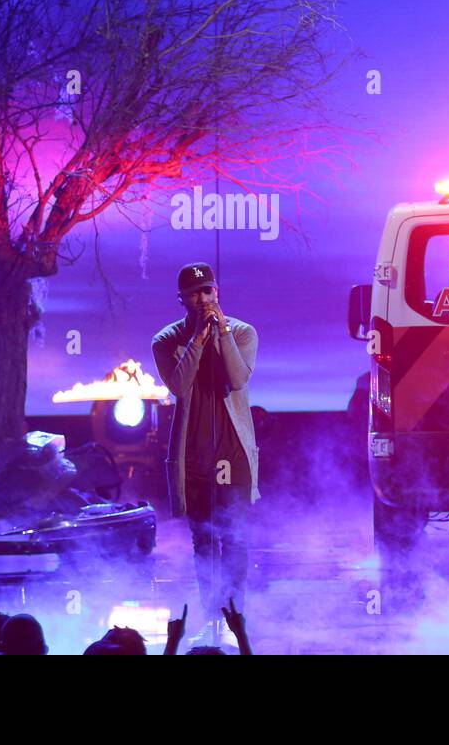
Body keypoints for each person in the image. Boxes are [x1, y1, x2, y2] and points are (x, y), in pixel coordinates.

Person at [152, 262, 259, 637]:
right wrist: (197, 339)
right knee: (203, 540)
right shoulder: (166, 340)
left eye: (208, 291)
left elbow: (237, 378)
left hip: (232, 454)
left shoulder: (243, 333)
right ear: (181, 298)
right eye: (194, 293)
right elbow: (179, 386)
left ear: (218, 293)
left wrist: (222, 333)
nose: (202, 300)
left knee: (234, 536)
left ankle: (236, 618)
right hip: (194, 456)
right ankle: (211, 614)